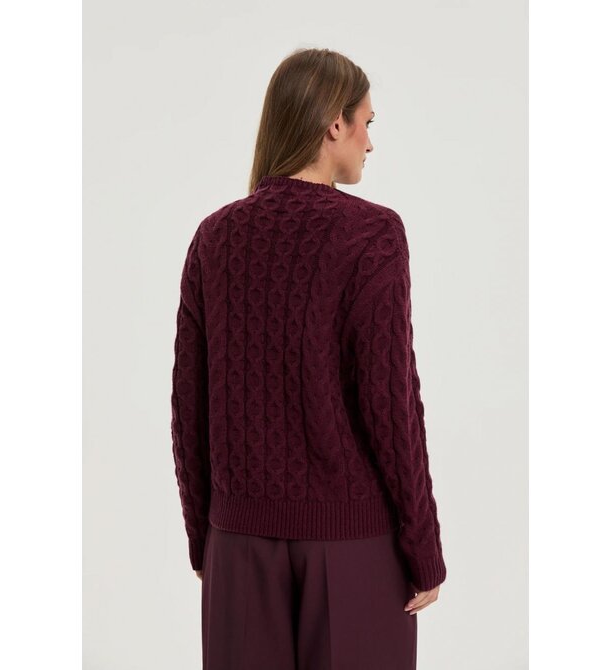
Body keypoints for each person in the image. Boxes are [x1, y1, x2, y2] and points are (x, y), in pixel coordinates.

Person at [170, 47, 447, 669]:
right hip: (353, 548)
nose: (370, 142)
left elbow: (189, 406)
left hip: (237, 546)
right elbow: (391, 407)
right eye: (367, 122)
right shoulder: (373, 233)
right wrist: (423, 547)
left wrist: (206, 540)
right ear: (334, 124)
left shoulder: (214, 236)